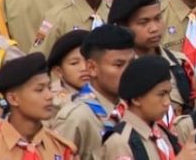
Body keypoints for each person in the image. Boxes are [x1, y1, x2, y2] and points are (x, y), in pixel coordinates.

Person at [107, 0, 196, 121]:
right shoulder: (117, 70)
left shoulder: (180, 66)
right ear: (123, 27)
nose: (154, 28)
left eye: (158, 18)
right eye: (143, 22)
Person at [102, 55, 196, 159]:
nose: (167, 102)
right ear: (136, 99)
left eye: (168, 93)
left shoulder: (163, 134)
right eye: (161, 94)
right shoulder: (121, 142)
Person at [51, 24, 136, 158]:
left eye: (131, 63)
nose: (129, 71)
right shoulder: (77, 117)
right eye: (118, 65)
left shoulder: (132, 109)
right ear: (91, 68)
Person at [0, 53, 77, 158]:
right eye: (39, 90)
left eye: (49, 88)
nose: (49, 96)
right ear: (13, 99)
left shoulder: (61, 148)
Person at [46, 28, 90, 110]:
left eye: (88, 60)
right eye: (74, 63)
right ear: (58, 71)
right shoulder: (51, 102)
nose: (84, 68)